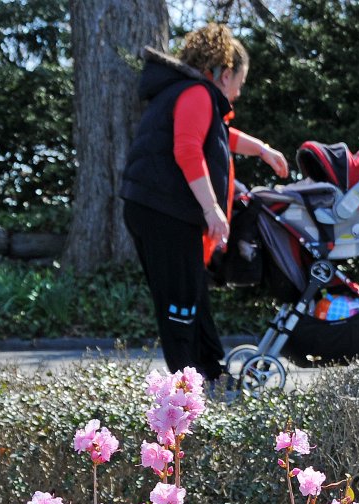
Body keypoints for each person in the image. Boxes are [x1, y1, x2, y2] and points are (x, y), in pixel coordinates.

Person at [120, 23, 288, 381]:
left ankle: (210, 372)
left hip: (154, 206)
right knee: (180, 299)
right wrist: (212, 210)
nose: (238, 94)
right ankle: (185, 390)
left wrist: (262, 151)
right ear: (225, 74)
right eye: (239, 84)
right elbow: (187, 149)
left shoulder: (185, 93)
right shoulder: (196, 93)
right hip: (163, 210)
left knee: (191, 289)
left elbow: (218, 134)